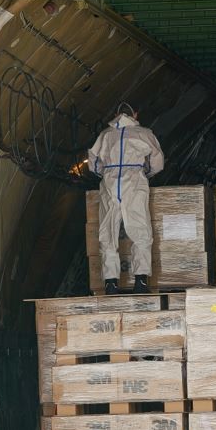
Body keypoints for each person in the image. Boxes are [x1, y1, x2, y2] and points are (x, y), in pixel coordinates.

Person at [88, 103, 164, 294]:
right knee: (141, 230)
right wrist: (144, 171)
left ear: (116, 114)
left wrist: (106, 173)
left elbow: (93, 162)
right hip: (134, 183)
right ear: (135, 115)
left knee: (108, 232)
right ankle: (141, 281)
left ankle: (111, 283)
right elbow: (158, 161)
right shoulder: (144, 133)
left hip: (110, 183)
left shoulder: (105, 135)